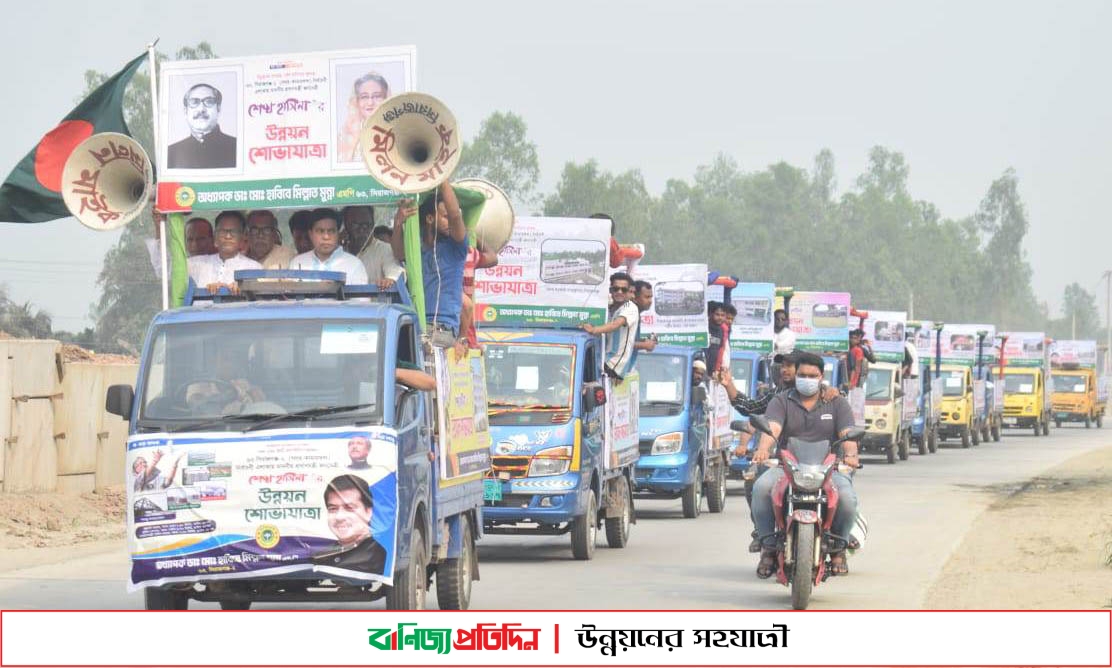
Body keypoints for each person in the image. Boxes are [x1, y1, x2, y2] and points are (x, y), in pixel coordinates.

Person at [749, 352, 859, 578]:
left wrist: (850, 455)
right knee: (760, 488)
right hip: (786, 467)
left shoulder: (837, 403)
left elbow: (848, 434)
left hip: (829, 468)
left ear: (821, 377)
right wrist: (763, 449)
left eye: (812, 375)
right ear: (795, 375)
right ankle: (768, 546)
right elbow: (773, 427)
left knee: (847, 499)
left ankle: (839, 548)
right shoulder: (781, 401)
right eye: (802, 374)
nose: (807, 379)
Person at [390, 183, 468, 339]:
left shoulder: (456, 248)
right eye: (444, 217)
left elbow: (455, 215)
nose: (450, 222)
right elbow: (398, 253)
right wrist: (398, 223)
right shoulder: (416, 251)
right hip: (414, 323)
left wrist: (442, 177)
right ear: (430, 218)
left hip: (442, 328)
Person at [311, 474, 387, 574]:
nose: (339, 517)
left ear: (368, 512)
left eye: (349, 508)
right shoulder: (320, 556)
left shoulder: (377, 556)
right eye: (333, 509)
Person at [581, 272, 640, 380]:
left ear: (629, 292)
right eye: (616, 289)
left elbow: (616, 324)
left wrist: (594, 330)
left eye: (624, 290)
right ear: (611, 290)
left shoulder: (630, 307)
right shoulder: (609, 307)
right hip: (604, 359)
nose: (619, 292)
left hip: (615, 364)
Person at [187, 211, 262, 293]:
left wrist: (242, 288)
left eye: (233, 231)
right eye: (223, 231)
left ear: (242, 237)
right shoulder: (195, 264)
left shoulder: (254, 267)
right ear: (215, 237)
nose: (228, 236)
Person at [289, 208, 368, 285]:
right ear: (311, 234)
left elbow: (361, 298)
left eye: (331, 231)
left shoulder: (354, 264)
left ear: (338, 234)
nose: (326, 237)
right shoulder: (297, 263)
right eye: (320, 231)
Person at [167, 83, 237, 169]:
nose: (201, 109)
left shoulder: (236, 148)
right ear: (185, 111)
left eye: (209, 101)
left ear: (218, 109)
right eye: (194, 102)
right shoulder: (171, 153)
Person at [343, 206, 403, 289]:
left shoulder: (384, 249)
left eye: (367, 225)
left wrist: (389, 280)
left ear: (373, 224)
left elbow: (395, 273)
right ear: (346, 225)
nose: (362, 230)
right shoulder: (339, 251)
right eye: (356, 225)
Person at [338, 72, 390, 162]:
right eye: (364, 97)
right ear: (357, 101)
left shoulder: (396, 132)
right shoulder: (345, 137)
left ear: (386, 99)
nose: (370, 103)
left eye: (377, 96)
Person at [146, 216, 215, 277]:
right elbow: (162, 267)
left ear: (212, 239)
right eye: (190, 240)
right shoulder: (184, 266)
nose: (194, 244)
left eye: (200, 239)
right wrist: (159, 227)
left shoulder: (220, 262)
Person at [460, 242, 499, 347]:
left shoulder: (469, 253)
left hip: (464, 339)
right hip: (454, 335)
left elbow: (493, 259)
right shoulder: (467, 253)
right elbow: (466, 305)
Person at [631, 280, 657, 352]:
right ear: (635, 298)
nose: (650, 301)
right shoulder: (629, 314)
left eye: (651, 297)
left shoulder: (636, 314)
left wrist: (644, 341)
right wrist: (644, 345)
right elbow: (620, 343)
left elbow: (630, 340)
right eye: (647, 297)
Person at [705, 302, 730, 373]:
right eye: (717, 314)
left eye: (722, 315)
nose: (720, 317)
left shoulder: (722, 331)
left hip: (713, 372)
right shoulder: (705, 329)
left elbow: (720, 352)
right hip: (701, 369)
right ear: (711, 314)